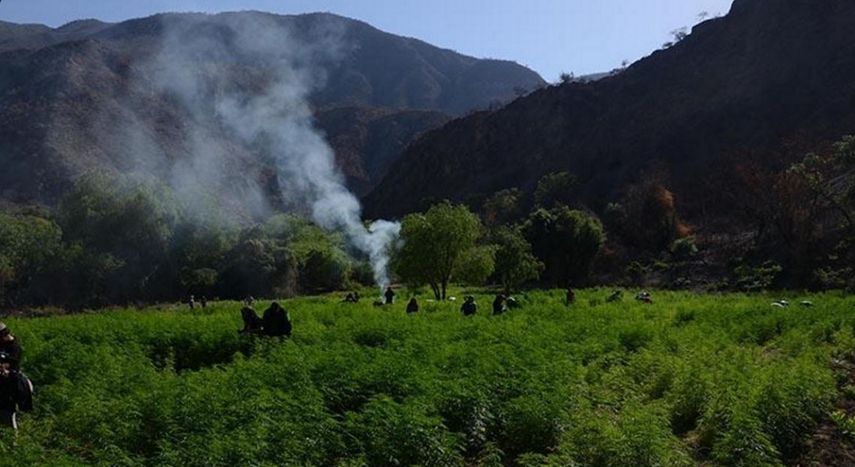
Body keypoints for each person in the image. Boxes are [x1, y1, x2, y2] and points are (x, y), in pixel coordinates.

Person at [0, 352, 33, 430]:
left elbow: (25, 388)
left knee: (9, 427)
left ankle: (13, 441)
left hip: (7, 407)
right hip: (5, 405)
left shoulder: (14, 376)